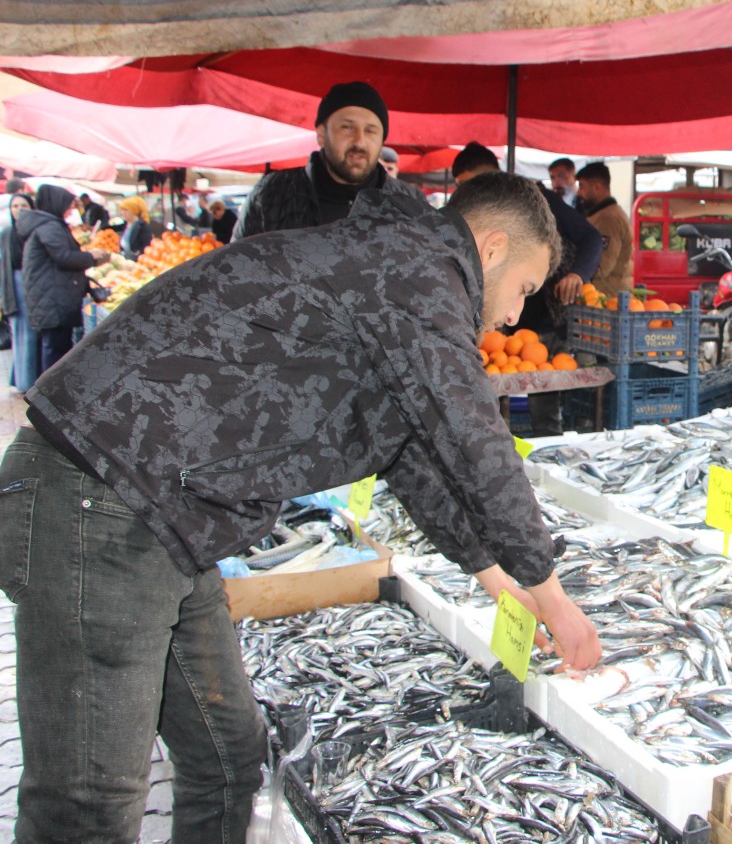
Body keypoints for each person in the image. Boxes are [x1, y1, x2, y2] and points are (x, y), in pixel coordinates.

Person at [0, 172, 602, 843]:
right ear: (490, 250)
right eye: (523, 288)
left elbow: (407, 451)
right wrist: (549, 590)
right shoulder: (415, 270)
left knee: (228, 758)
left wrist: (495, 579)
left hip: (168, 513)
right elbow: (472, 434)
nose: (516, 316)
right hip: (100, 497)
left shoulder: (393, 269)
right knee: (87, 807)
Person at [452, 143, 602, 435]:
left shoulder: (535, 200)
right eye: (461, 188)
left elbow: (591, 238)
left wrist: (577, 274)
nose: (468, 196)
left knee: (542, 396)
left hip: (545, 319)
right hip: (496, 325)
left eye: (471, 184)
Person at [233, 81, 423, 239]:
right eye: (346, 128)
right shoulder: (271, 194)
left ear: (382, 140)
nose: (359, 141)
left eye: (370, 131)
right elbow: (234, 271)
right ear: (321, 135)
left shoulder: (410, 203)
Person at [19, 185, 111, 375]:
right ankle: (50, 397)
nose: (70, 210)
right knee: (55, 350)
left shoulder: (47, 225)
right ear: (57, 204)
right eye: (68, 206)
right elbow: (63, 257)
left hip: (52, 297)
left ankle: (51, 394)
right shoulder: (49, 227)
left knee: (56, 348)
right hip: (52, 300)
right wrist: (92, 258)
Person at [0, 193, 41, 390]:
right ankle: (24, 381)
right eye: (15, 206)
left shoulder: (35, 230)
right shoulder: (9, 232)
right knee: (21, 332)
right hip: (16, 285)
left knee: (30, 333)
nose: (19, 209)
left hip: (32, 284)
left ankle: (26, 379)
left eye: (23, 205)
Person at [576, 161, 634, 297]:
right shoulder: (600, 215)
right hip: (601, 298)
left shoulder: (609, 218)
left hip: (609, 301)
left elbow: (600, 266)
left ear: (597, 187)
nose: (578, 192)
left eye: (581, 186)